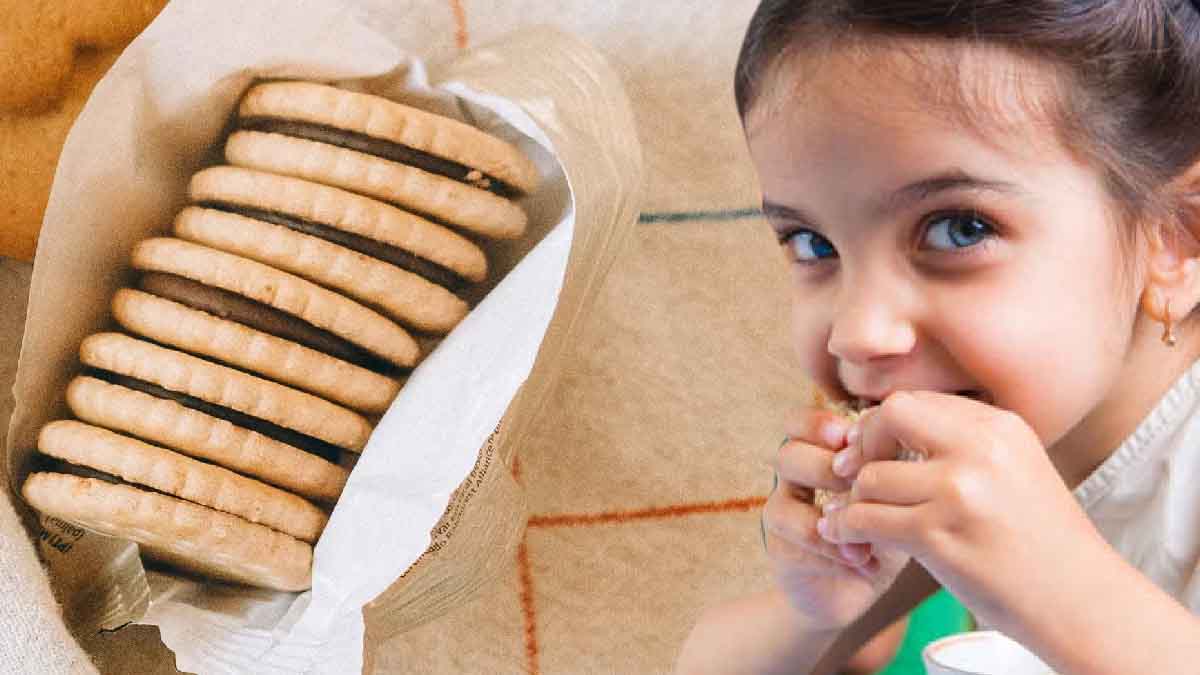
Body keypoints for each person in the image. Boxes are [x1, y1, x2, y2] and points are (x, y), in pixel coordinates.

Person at [675, 1, 1200, 673]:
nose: (857, 332)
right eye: (813, 243)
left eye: (960, 228)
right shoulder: (996, 441)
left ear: (1177, 240)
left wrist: (1060, 584)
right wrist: (813, 613)